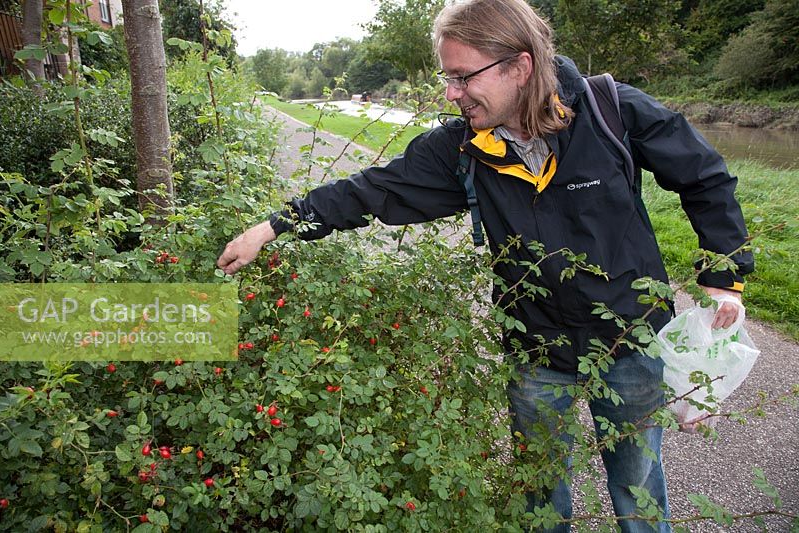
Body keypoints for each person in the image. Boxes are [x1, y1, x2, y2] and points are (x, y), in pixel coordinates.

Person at [217, 0, 753, 530]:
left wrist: (724, 278)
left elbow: (703, 176)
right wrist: (273, 226)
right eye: (447, 78)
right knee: (539, 490)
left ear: (519, 66)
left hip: (632, 339)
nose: (451, 93)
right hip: (536, 349)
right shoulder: (461, 149)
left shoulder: (611, 109)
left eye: (461, 76)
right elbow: (372, 190)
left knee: (638, 485)